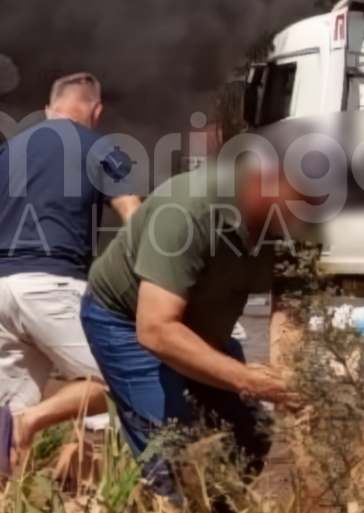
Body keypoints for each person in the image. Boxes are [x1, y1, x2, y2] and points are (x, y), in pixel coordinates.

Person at [0, 72, 142, 473]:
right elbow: (135, 219)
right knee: (126, 382)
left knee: (3, 420)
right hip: (53, 283)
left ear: (49, 110)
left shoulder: (7, 153)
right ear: (96, 110)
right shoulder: (103, 148)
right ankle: (39, 428)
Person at [81, 153, 290, 498]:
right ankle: (169, 500)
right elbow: (156, 330)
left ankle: (214, 504)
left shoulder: (294, 218)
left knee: (251, 434)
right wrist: (248, 378)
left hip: (200, 324)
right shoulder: (188, 210)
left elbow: (289, 308)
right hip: (127, 319)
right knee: (174, 452)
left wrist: (288, 378)